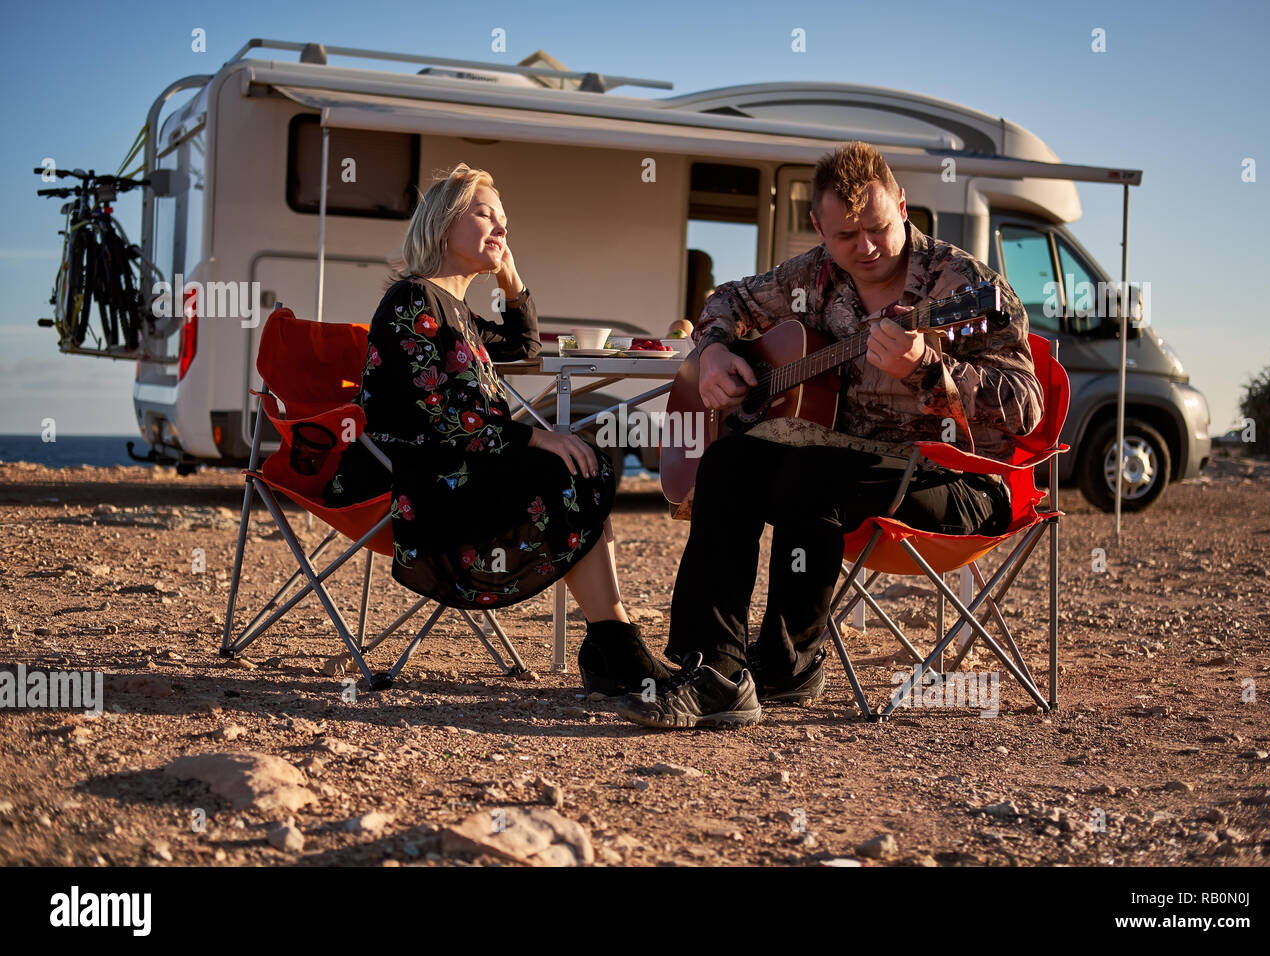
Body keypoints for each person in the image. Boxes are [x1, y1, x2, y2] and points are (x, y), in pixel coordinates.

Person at [611, 142, 1044, 730]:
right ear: (818, 227)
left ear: (902, 204)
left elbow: (1026, 412)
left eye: (877, 228)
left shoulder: (962, 284)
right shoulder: (812, 275)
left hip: (957, 480)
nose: (863, 248)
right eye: (845, 235)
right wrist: (711, 352)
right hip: (838, 467)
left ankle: (789, 664)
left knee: (807, 473)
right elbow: (727, 300)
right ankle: (711, 671)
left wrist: (927, 370)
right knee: (728, 464)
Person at [325, 163, 671, 695]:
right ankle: (614, 646)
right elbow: (437, 414)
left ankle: (614, 639)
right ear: (443, 223)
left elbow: (524, 348)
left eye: (504, 219)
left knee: (578, 462)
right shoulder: (413, 300)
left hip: (453, 465)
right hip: (413, 478)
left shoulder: (454, 311)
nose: (502, 228)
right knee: (570, 464)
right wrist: (536, 436)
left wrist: (512, 283)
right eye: (486, 214)